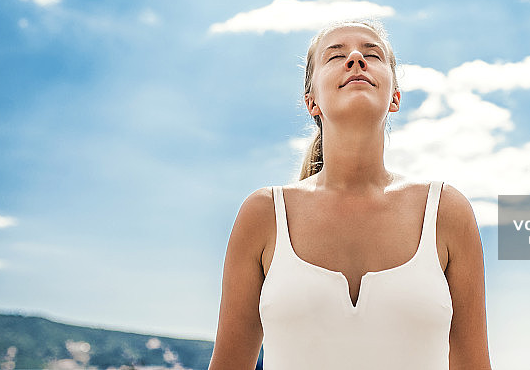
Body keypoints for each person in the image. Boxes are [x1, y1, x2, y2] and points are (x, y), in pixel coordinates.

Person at [208, 19, 491, 370]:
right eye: (335, 56)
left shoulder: (446, 212)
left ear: (395, 97)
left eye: (372, 55)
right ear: (311, 101)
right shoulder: (264, 215)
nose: (356, 58)